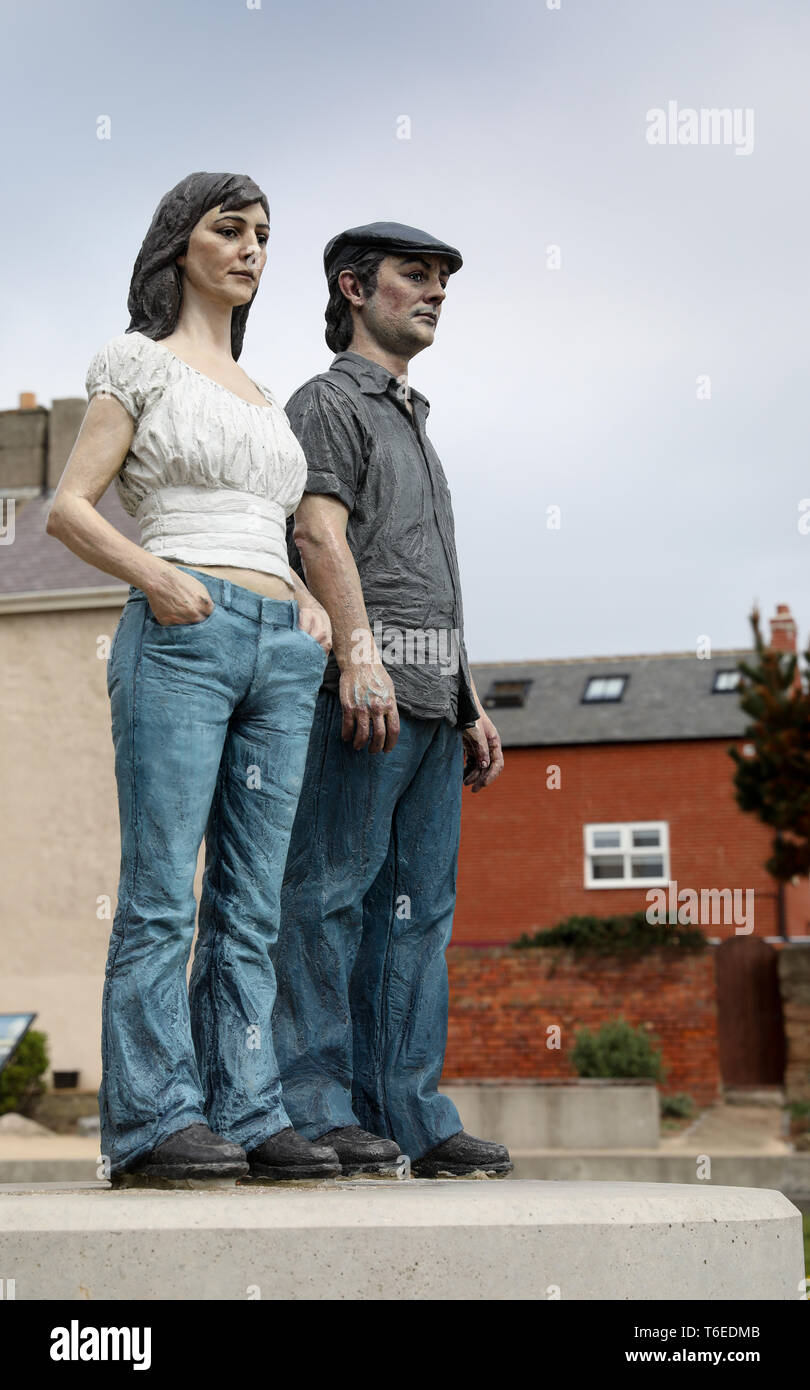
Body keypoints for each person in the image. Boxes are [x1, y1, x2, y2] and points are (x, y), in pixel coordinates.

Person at [45, 171, 341, 1186]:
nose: (253, 247)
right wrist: (159, 577)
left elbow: (277, 523)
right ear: (182, 245)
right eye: (230, 228)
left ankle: (249, 1110)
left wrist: (306, 597)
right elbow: (69, 508)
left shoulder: (267, 397)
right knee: (166, 893)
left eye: (264, 232)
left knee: (255, 903)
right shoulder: (140, 362)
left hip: (281, 650)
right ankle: (151, 1123)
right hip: (185, 632)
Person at [270, 222, 513, 1178]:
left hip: (430, 703)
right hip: (363, 700)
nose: (436, 292)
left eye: (444, 280)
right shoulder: (327, 403)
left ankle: (408, 1116)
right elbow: (319, 535)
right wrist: (357, 657)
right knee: (328, 900)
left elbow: (426, 576)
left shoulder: (416, 417)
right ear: (354, 288)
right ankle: (318, 1107)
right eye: (416, 276)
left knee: (416, 917)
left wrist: (469, 699)